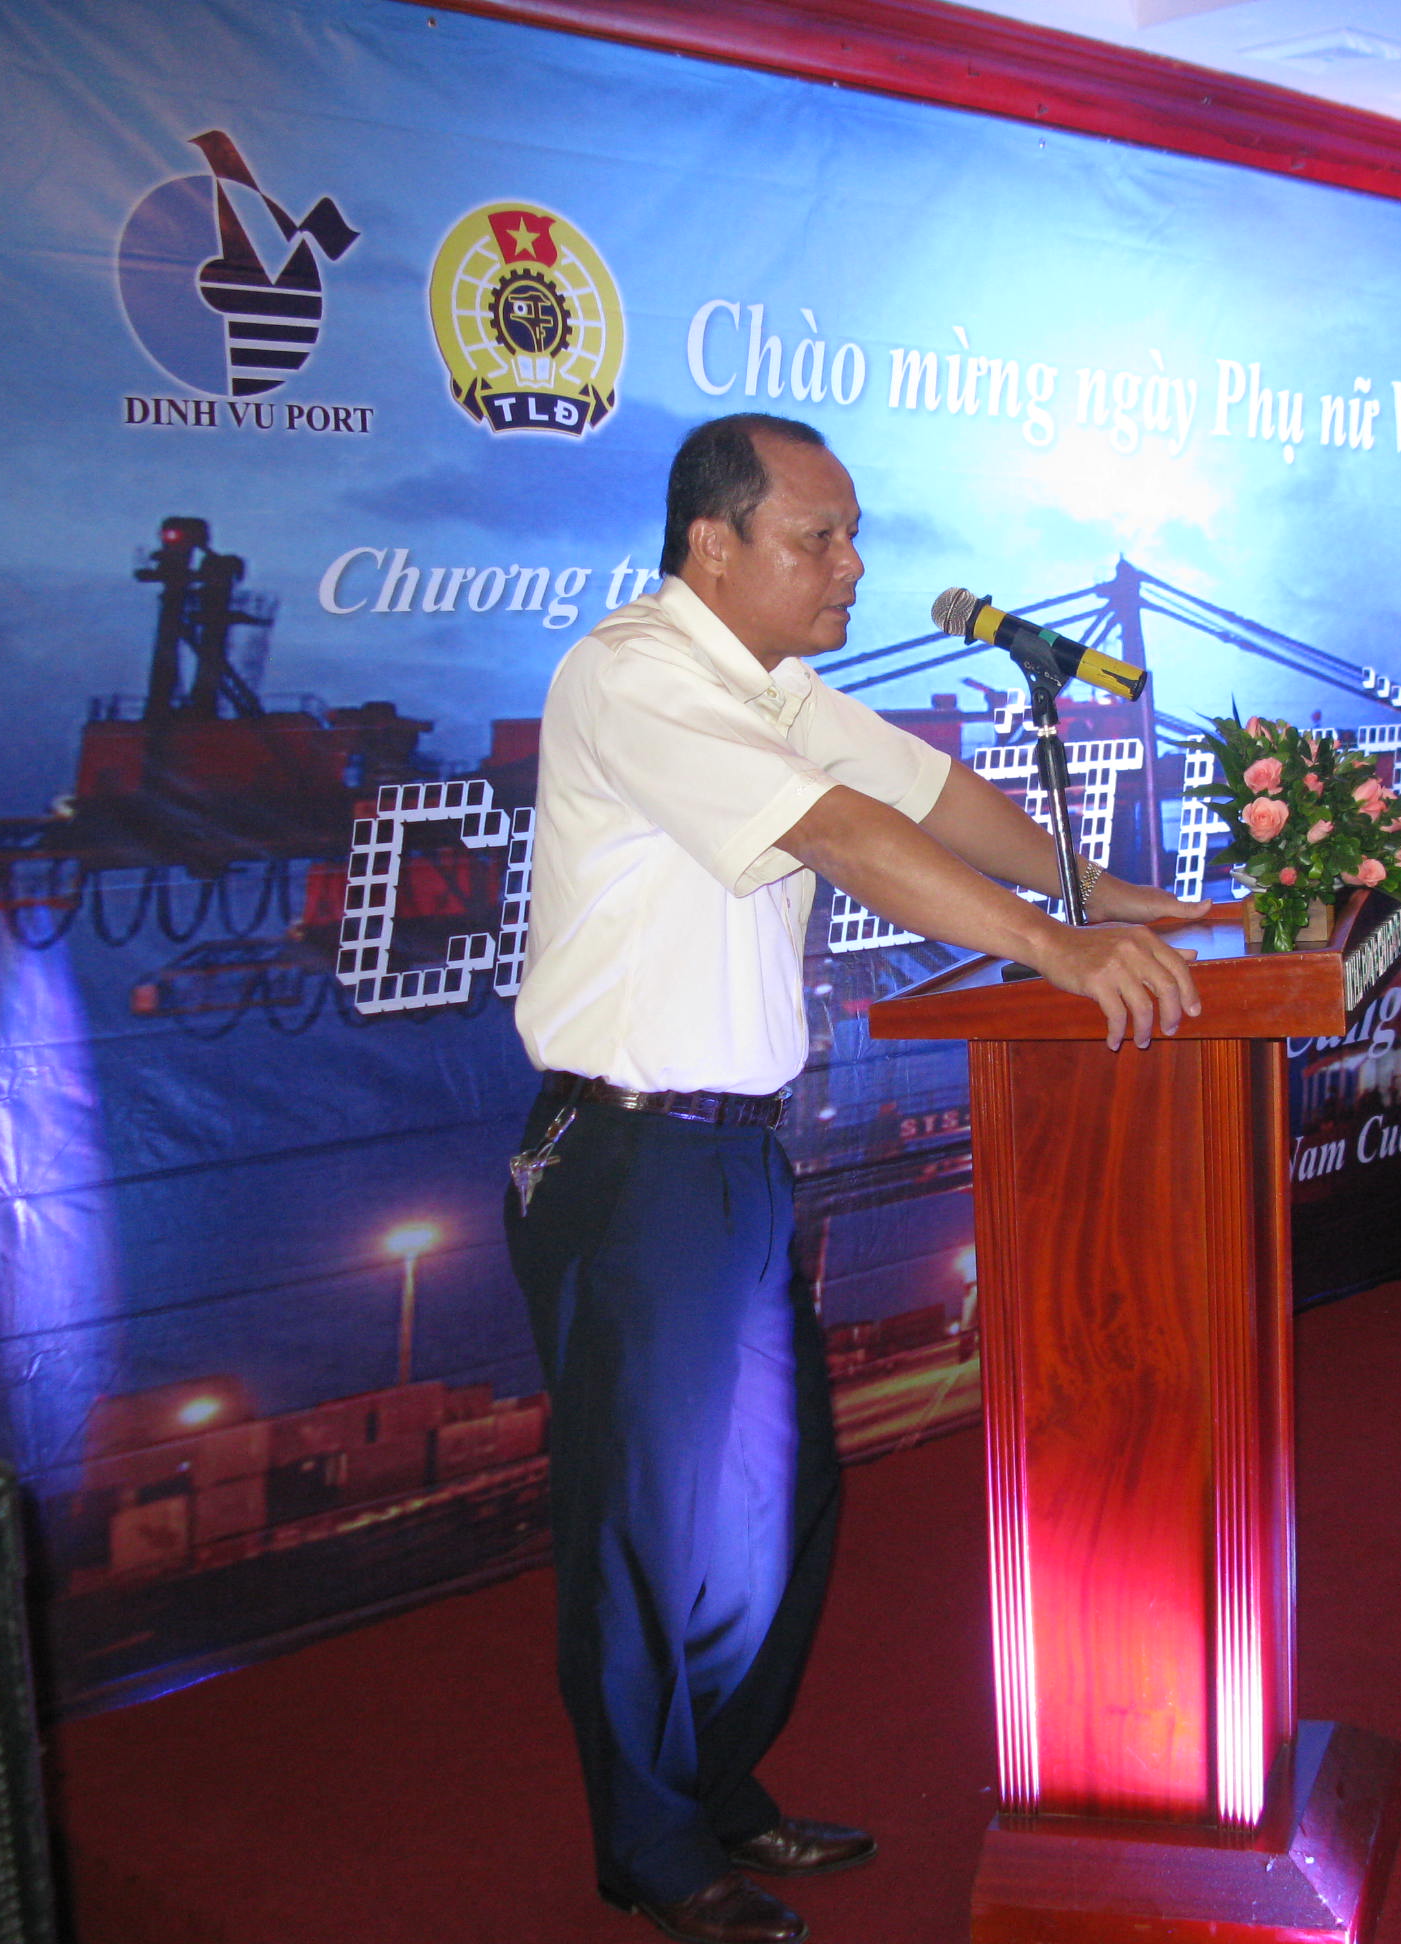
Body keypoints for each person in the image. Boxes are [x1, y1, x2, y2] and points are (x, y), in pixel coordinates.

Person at [505, 412, 1207, 1944]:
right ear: (713, 545)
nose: (852, 566)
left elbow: (928, 799)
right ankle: (650, 1847)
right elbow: (837, 831)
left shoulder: (776, 688)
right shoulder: (635, 673)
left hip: (735, 1154)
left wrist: (1110, 896)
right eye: (817, 538)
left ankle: (716, 1786)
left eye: (853, 535)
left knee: (779, 1503)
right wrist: (1053, 949)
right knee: (648, 1529)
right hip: (629, 1155)